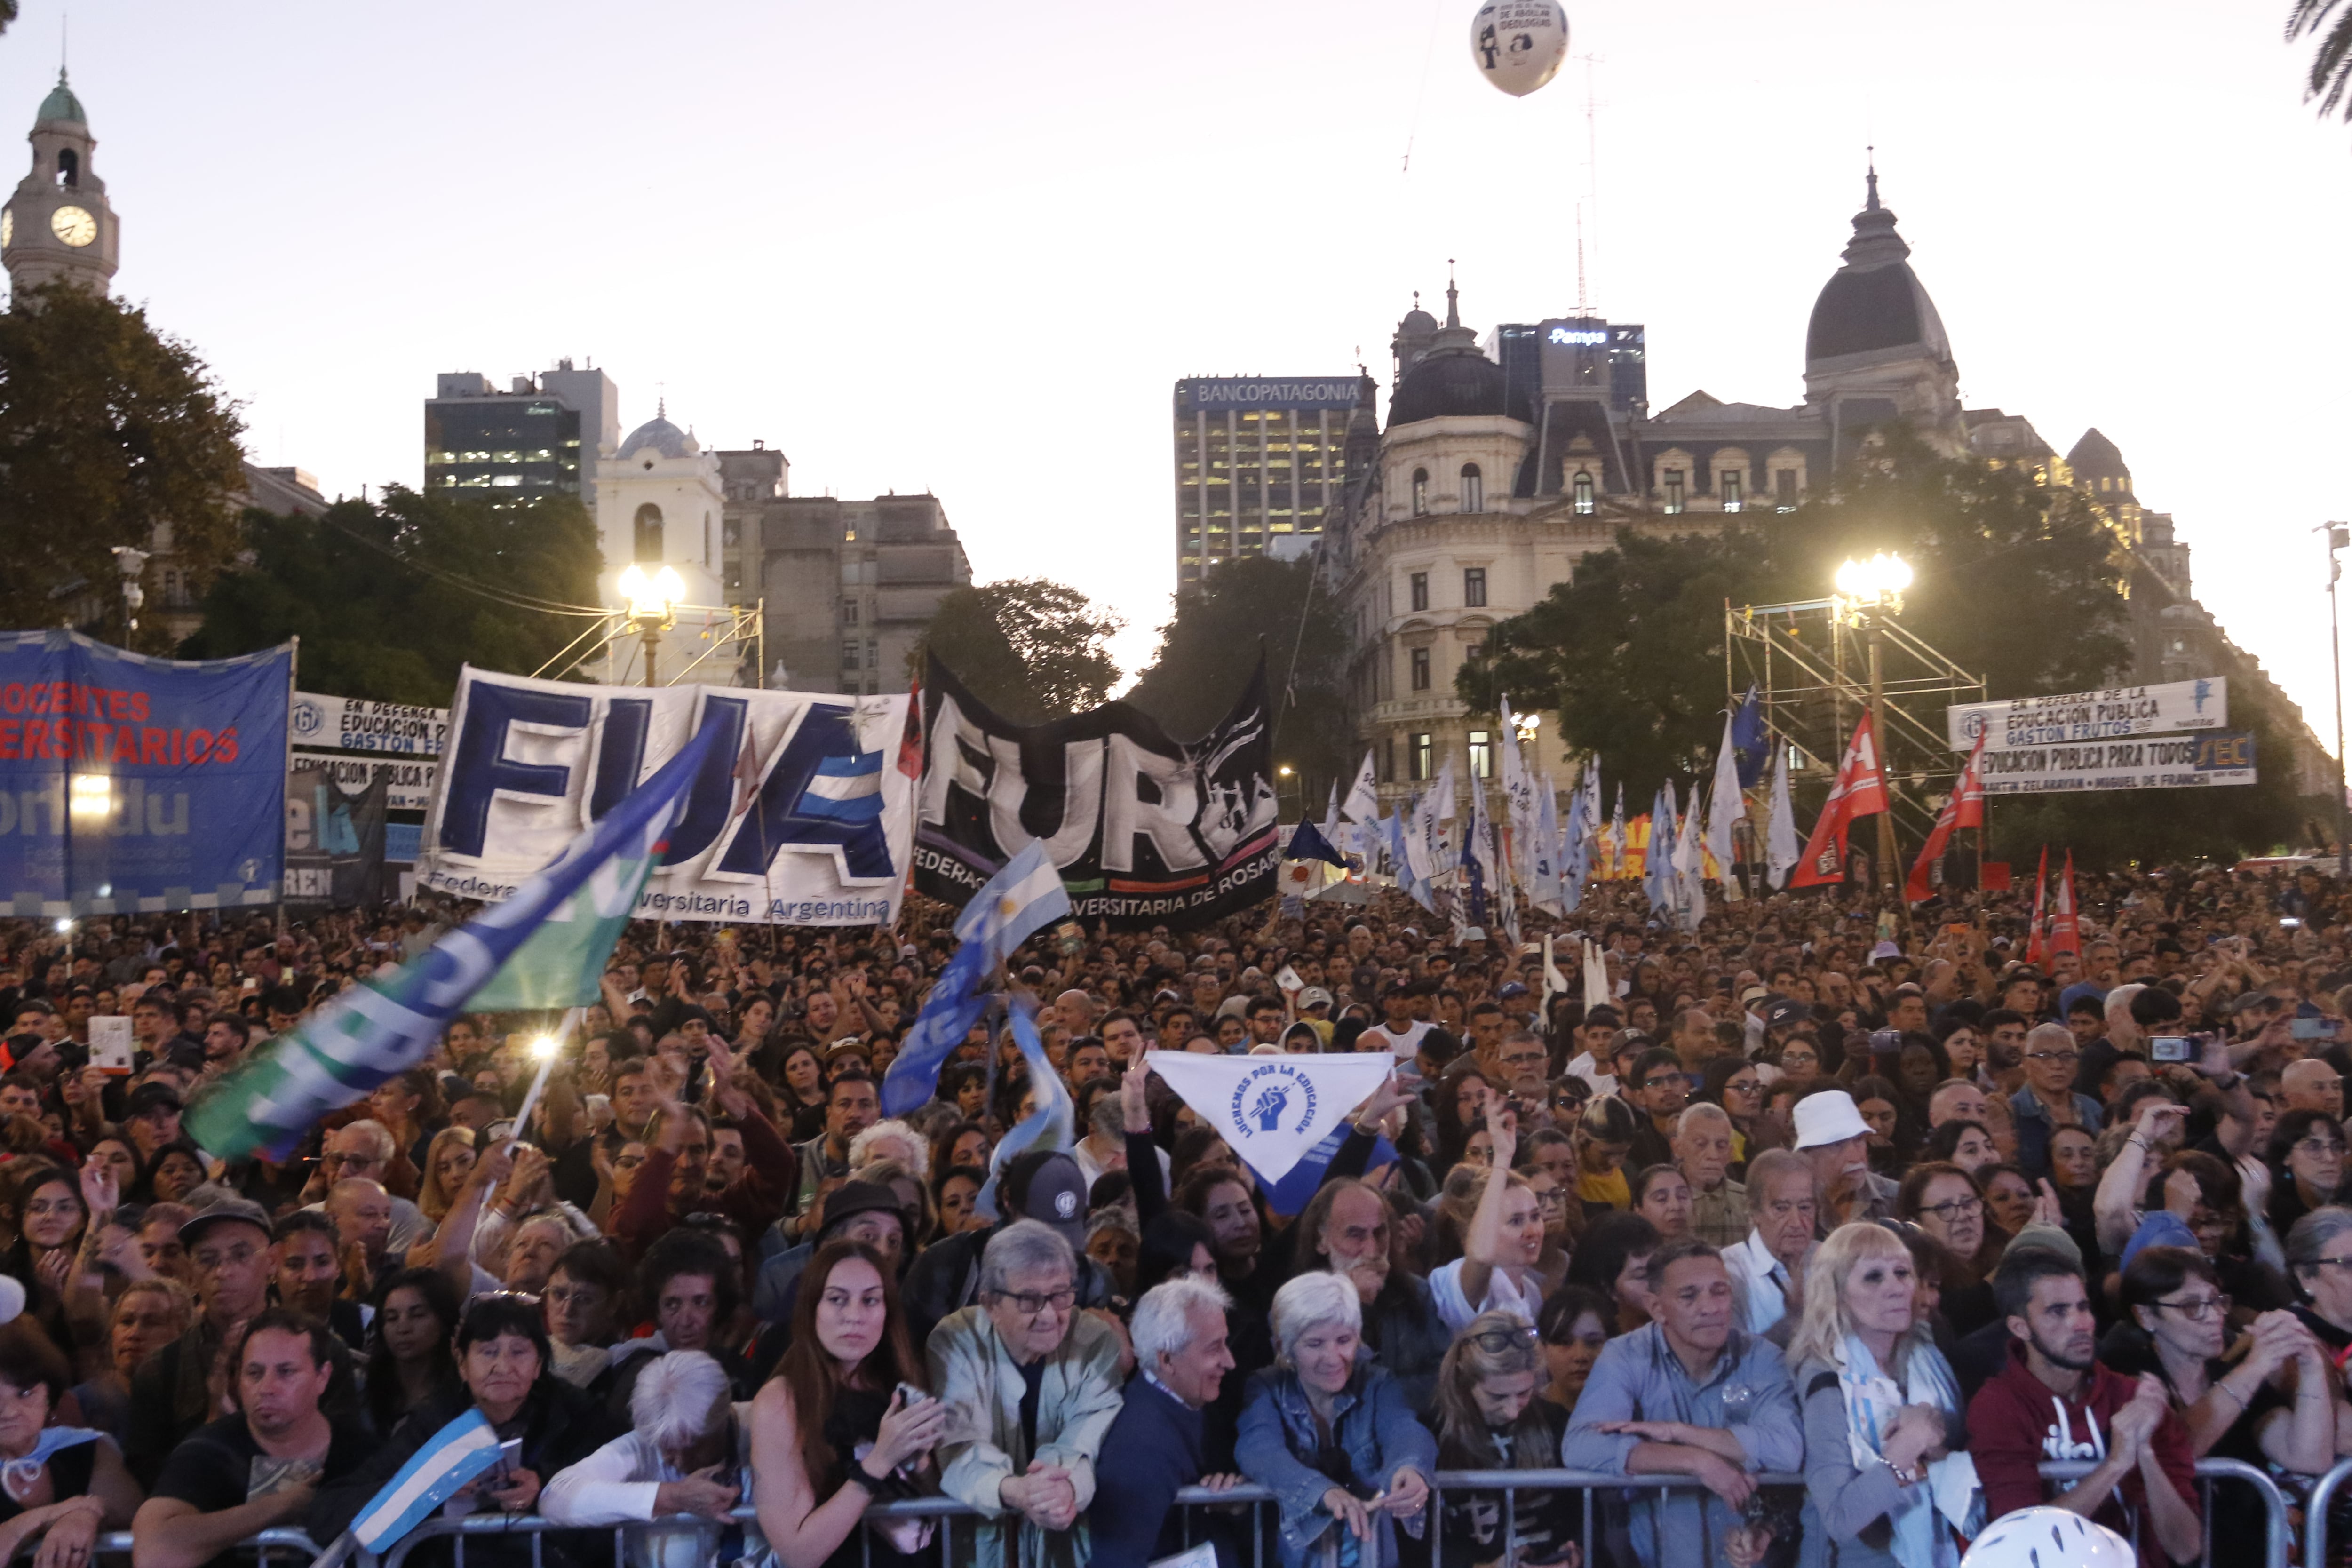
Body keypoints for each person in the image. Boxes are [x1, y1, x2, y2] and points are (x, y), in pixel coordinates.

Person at [309, 1294, 617, 1558]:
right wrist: (427, 1487)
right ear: (462, 1364)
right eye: (488, 1351)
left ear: (538, 1365)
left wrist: (546, 1488)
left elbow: (621, 1497)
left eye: (519, 1352)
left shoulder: (576, 1414)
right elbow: (328, 1511)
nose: (503, 1366)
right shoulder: (434, 1420)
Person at [1561, 1237, 1802, 1568]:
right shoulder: (1625, 1355)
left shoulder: (1763, 1358)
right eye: (1690, 1295)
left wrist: (1678, 1432)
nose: (1711, 1307)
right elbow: (1582, 1443)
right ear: (1657, 1307)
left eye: (1720, 1291)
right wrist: (1696, 1462)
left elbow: (1788, 1448)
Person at [1965, 1247, 2201, 1568]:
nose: (2081, 1323)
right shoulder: (1998, 1407)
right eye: (2058, 1311)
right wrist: (2115, 1464)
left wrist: (2145, 1453)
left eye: (2083, 1307)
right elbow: (2025, 1542)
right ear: (2021, 1327)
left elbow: (2186, 1547)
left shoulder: (2132, 1397)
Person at [928, 1219, 1125, 1568]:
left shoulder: (1096, 1340)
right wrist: (1015, 1490)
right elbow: (959, 1443)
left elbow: (1088, 1438)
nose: (1050, 1314)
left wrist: (1062, 1489)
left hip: (1072, 1547)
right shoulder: (955, 1338)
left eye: (1061, 1294)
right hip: (982, 1549)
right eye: (1030, 1299)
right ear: (990, 1304)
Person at [746, 1238, 947, 1568]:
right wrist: (879, 1460)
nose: (854, 1316)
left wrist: (920, 1462)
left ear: (887, 1310)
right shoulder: (780, 1400)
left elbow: (942, 1515)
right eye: (838, 1299)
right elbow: (798, 1552)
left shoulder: (900, 1381)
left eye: (870, 1300)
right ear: (812, 1308)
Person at [1787, 1223, 1969, 1568]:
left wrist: (1934, 1448)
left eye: (1902, 1272)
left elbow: (1947, 1463)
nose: (1896, 1287)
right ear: (1837, 1293)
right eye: (1873, 1277)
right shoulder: (1825, 1374)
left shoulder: (1928, 1358)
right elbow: (1840, 1517)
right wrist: (1909, 1442)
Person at [133, 1310, 373, 1568]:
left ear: (322, 1377)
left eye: (286, 1372)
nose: (267, 1388)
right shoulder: (209, 1449)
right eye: (254, 1374)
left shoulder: (362, 1452)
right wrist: (284, 1505)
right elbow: (154, 1552)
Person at [1234, 1272, 1436, 1568]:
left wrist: (1410, 1466)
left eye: (1344, 1340)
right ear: (1284, 1348)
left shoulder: (1378, 1382)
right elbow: (1258, 1448)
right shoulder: (1265, 1387)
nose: (1333, 1358)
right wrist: (1321, 1491)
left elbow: (1404, 1428)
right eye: (1315, 1344)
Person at [540, 1349, 760, 1568]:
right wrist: (671, 1497)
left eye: (690, 1447)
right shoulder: (647, 1440)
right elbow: (555, 1497)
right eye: (665, 1447)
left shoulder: (765, 1424)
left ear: (721, 1423)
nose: (671, 1460)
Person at [1089, 1276, 1245, 1568]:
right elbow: (1117, 1560)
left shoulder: (1188, 1402)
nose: (1229, 1361)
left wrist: (1228, 1503)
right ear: (1167, 1360)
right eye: (1214, 1348)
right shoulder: (1141, 1447)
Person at [124, 1194, 278, 1488]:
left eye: (241, 1255)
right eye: (207, 1260)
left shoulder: (320, 1350)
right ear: (191, 1274)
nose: (223, 1272)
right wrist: (215, 1421)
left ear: (272, 1262)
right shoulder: (161, 1369)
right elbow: (146, 1476)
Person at [1289, 1179, 1451, 1415]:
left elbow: (1446, 1379)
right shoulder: (1294, 1309)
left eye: (1380, 1233)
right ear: (1321, 1241)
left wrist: (1379, 1397)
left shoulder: (1418, 1293)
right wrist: (1355, 1308)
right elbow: (1326, 1395)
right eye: (1355, 1235)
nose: (1372, 1250)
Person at [1431, 1310, 1578, 1568]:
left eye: (1524, 1393)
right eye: (1497, 1397)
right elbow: (1425, 1539)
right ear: (1466, 1381)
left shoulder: (1555, 1421)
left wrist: (1578, 1551)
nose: (1513, 1410)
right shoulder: (1434, 1433)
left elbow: (1583, 1511)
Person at [0, 1318, 141, 1567]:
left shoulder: (85, 1447)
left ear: (49, 1399)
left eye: (25, 1394)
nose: (8, 1411)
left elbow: (137, 1539)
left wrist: (88, 1515)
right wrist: (69, 1511)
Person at [1431, 1114, 1546, 1329]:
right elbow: (1481, 1258)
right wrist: (1502, 1159)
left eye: (1535, 1216)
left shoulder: (1531, 1290)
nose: (1532, 1231)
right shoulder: (1455, 1278)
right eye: (1515, 1221)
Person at [1722, 1149, 1818, 1336]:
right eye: (1781, 1209)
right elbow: (1735, 1358)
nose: (1797, 1223)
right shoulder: (1729, 1271)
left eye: (1805, 1207)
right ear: (1754, 1212)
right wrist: (1794, 1318)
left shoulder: (1830, 1260)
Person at [364, 1267, 461, 1441]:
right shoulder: (366, 1390)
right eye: (392, 1318)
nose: (403, 1328)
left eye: (417, 1315)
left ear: (444, 1321)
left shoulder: (461, 1393)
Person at [1673, 1104, 1747, 1249]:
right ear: (1678, 1148)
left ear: (1731, 1153)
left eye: (1721, 1145)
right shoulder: (1662, 1201)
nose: (1713, 1155)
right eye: (1701, 1144)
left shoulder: (1748, 1202)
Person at [1537, 1285, 1614, 1414]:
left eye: (1593, 1342)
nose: (1580, 1356)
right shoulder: (1527, 1417)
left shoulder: (1630, 1411)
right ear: (1544, 1348)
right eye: (1565, 1342)